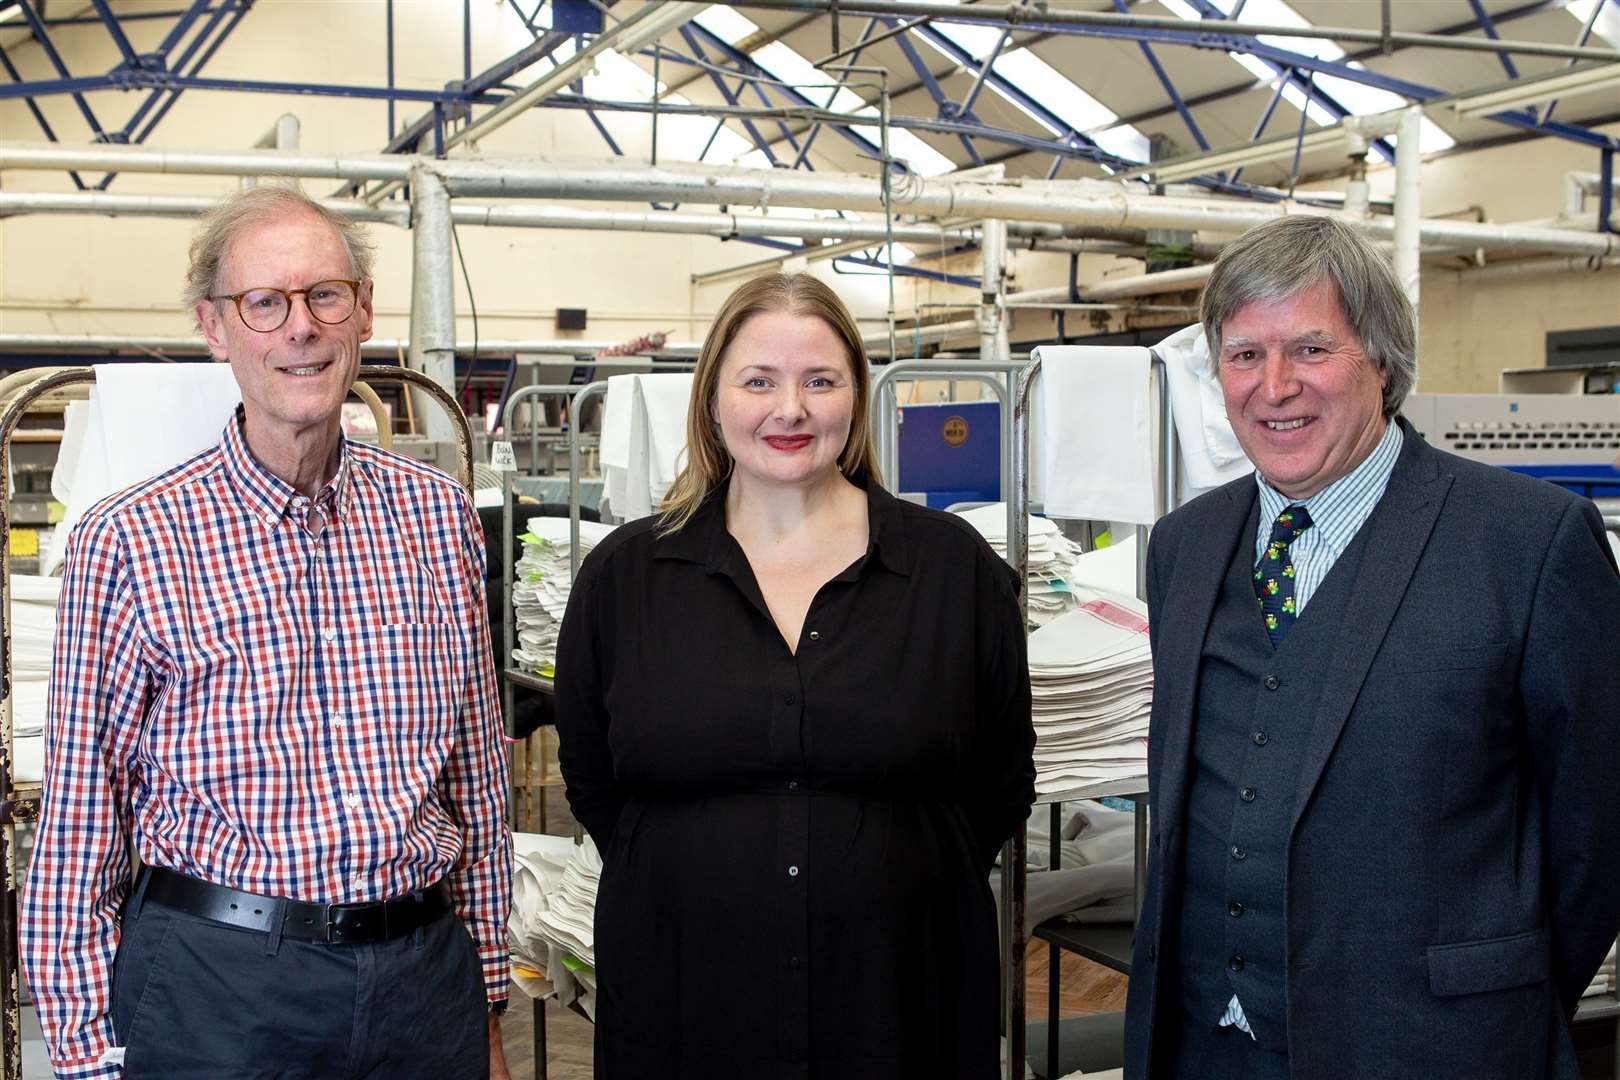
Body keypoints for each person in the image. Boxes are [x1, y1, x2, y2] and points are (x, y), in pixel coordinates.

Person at [21, 185, 513, 1080]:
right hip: (220, 988)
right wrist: (89, 1058)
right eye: (265, 303)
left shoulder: (438, 518)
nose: (302, 328)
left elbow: (477, 785)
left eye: (326, 294)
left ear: (363, 311)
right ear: (216, 328)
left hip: (421, 978)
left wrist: (483, 1000)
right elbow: (81, 830)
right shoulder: (129, 541)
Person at [1123, 214, 1620, 1080]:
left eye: (1311, 350)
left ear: (1383, 362)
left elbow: (1600, 827)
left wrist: (1494, 992)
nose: (1274, 387)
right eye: (1244, 356)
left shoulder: (1530, 543)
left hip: (1428, 1048)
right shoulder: (1183, 547)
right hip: (1203, 1044)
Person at [554, 272, 1035, 1079]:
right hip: (684, 1002)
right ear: (712, 399)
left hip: (901, 1001)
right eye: (758, 381)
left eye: (820, 381)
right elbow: (594, 777)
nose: (790, 410)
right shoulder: (625, 577)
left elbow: (1000, 782)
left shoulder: (953, 572)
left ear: (856, 397)